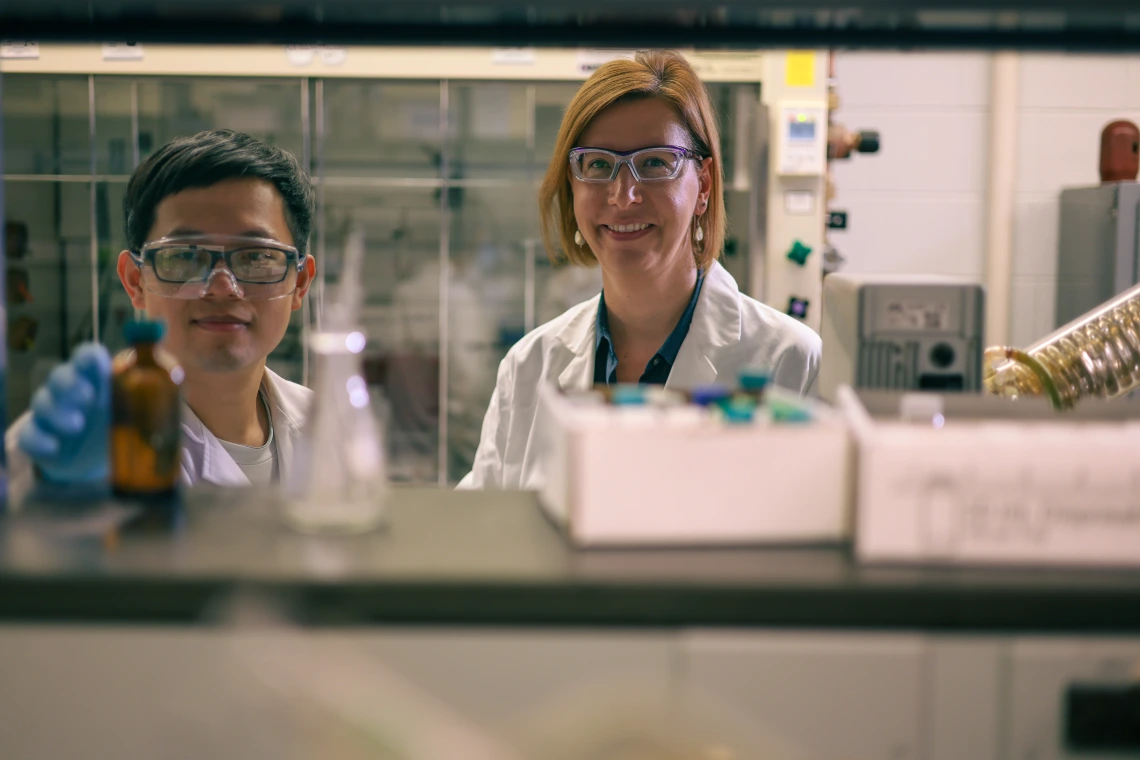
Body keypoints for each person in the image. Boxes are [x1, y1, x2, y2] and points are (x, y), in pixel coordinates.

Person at [458, 50, 821, 490]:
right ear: (572, 184)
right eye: (597, 164)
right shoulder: (529, 365)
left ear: (702, 185)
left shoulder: (791, 362)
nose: (623, 195)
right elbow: (486, 525)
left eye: (654, 163)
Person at [5, 129, 316, 503]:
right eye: (185, 256)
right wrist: (48, 488)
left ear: (299, 283)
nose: (221, 287)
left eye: (256, 256)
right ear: (135, 280)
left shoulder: (324, 424)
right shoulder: (78, 439)